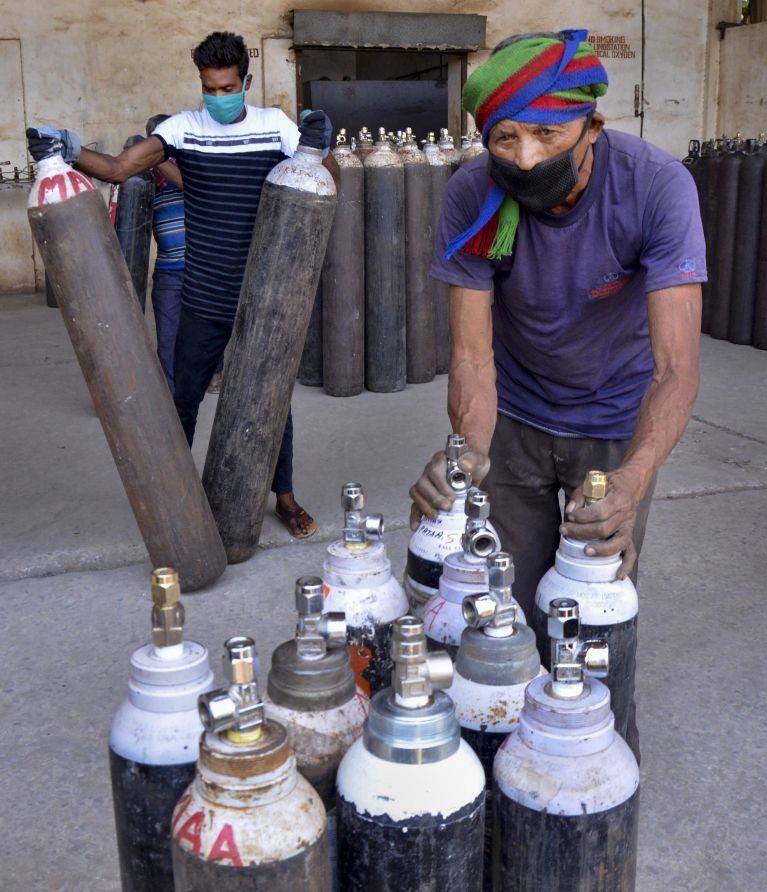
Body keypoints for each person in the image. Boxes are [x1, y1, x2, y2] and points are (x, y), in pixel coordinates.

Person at [409, 30, 705, 759]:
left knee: (593, 613)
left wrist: (631, 482)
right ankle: (505, 764)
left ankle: (604, 766)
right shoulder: (471, 193)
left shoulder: (656, 187)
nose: (527, 157)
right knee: (499, 603)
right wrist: (465, 455)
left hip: (615, 421)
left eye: (548, 132)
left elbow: (675, 369)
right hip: (513, 417)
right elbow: (473, 356)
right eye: (504, 137)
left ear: (592, 127)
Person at [28, 31, 338, 539]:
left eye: (228, 87)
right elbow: (121, 167)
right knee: (184, 398)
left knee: (271, 397)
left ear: (247, 82)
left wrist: (318, 149)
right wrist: (69, 147)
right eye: (209, 88)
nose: (218, 97)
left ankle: (283, 496)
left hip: (263, 295)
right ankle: (177, 496)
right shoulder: (183, 129)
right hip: (202, 293)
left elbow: (330, 186)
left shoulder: (274, 126)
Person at [145, 113, 185, 394]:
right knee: (169, 335)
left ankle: (214, 372)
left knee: (207, 329)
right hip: (168, 271)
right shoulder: (146, 178)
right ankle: (172, 393)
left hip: (202, 268)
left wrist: (153, 156)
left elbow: (186, 183)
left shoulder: (189, 164)